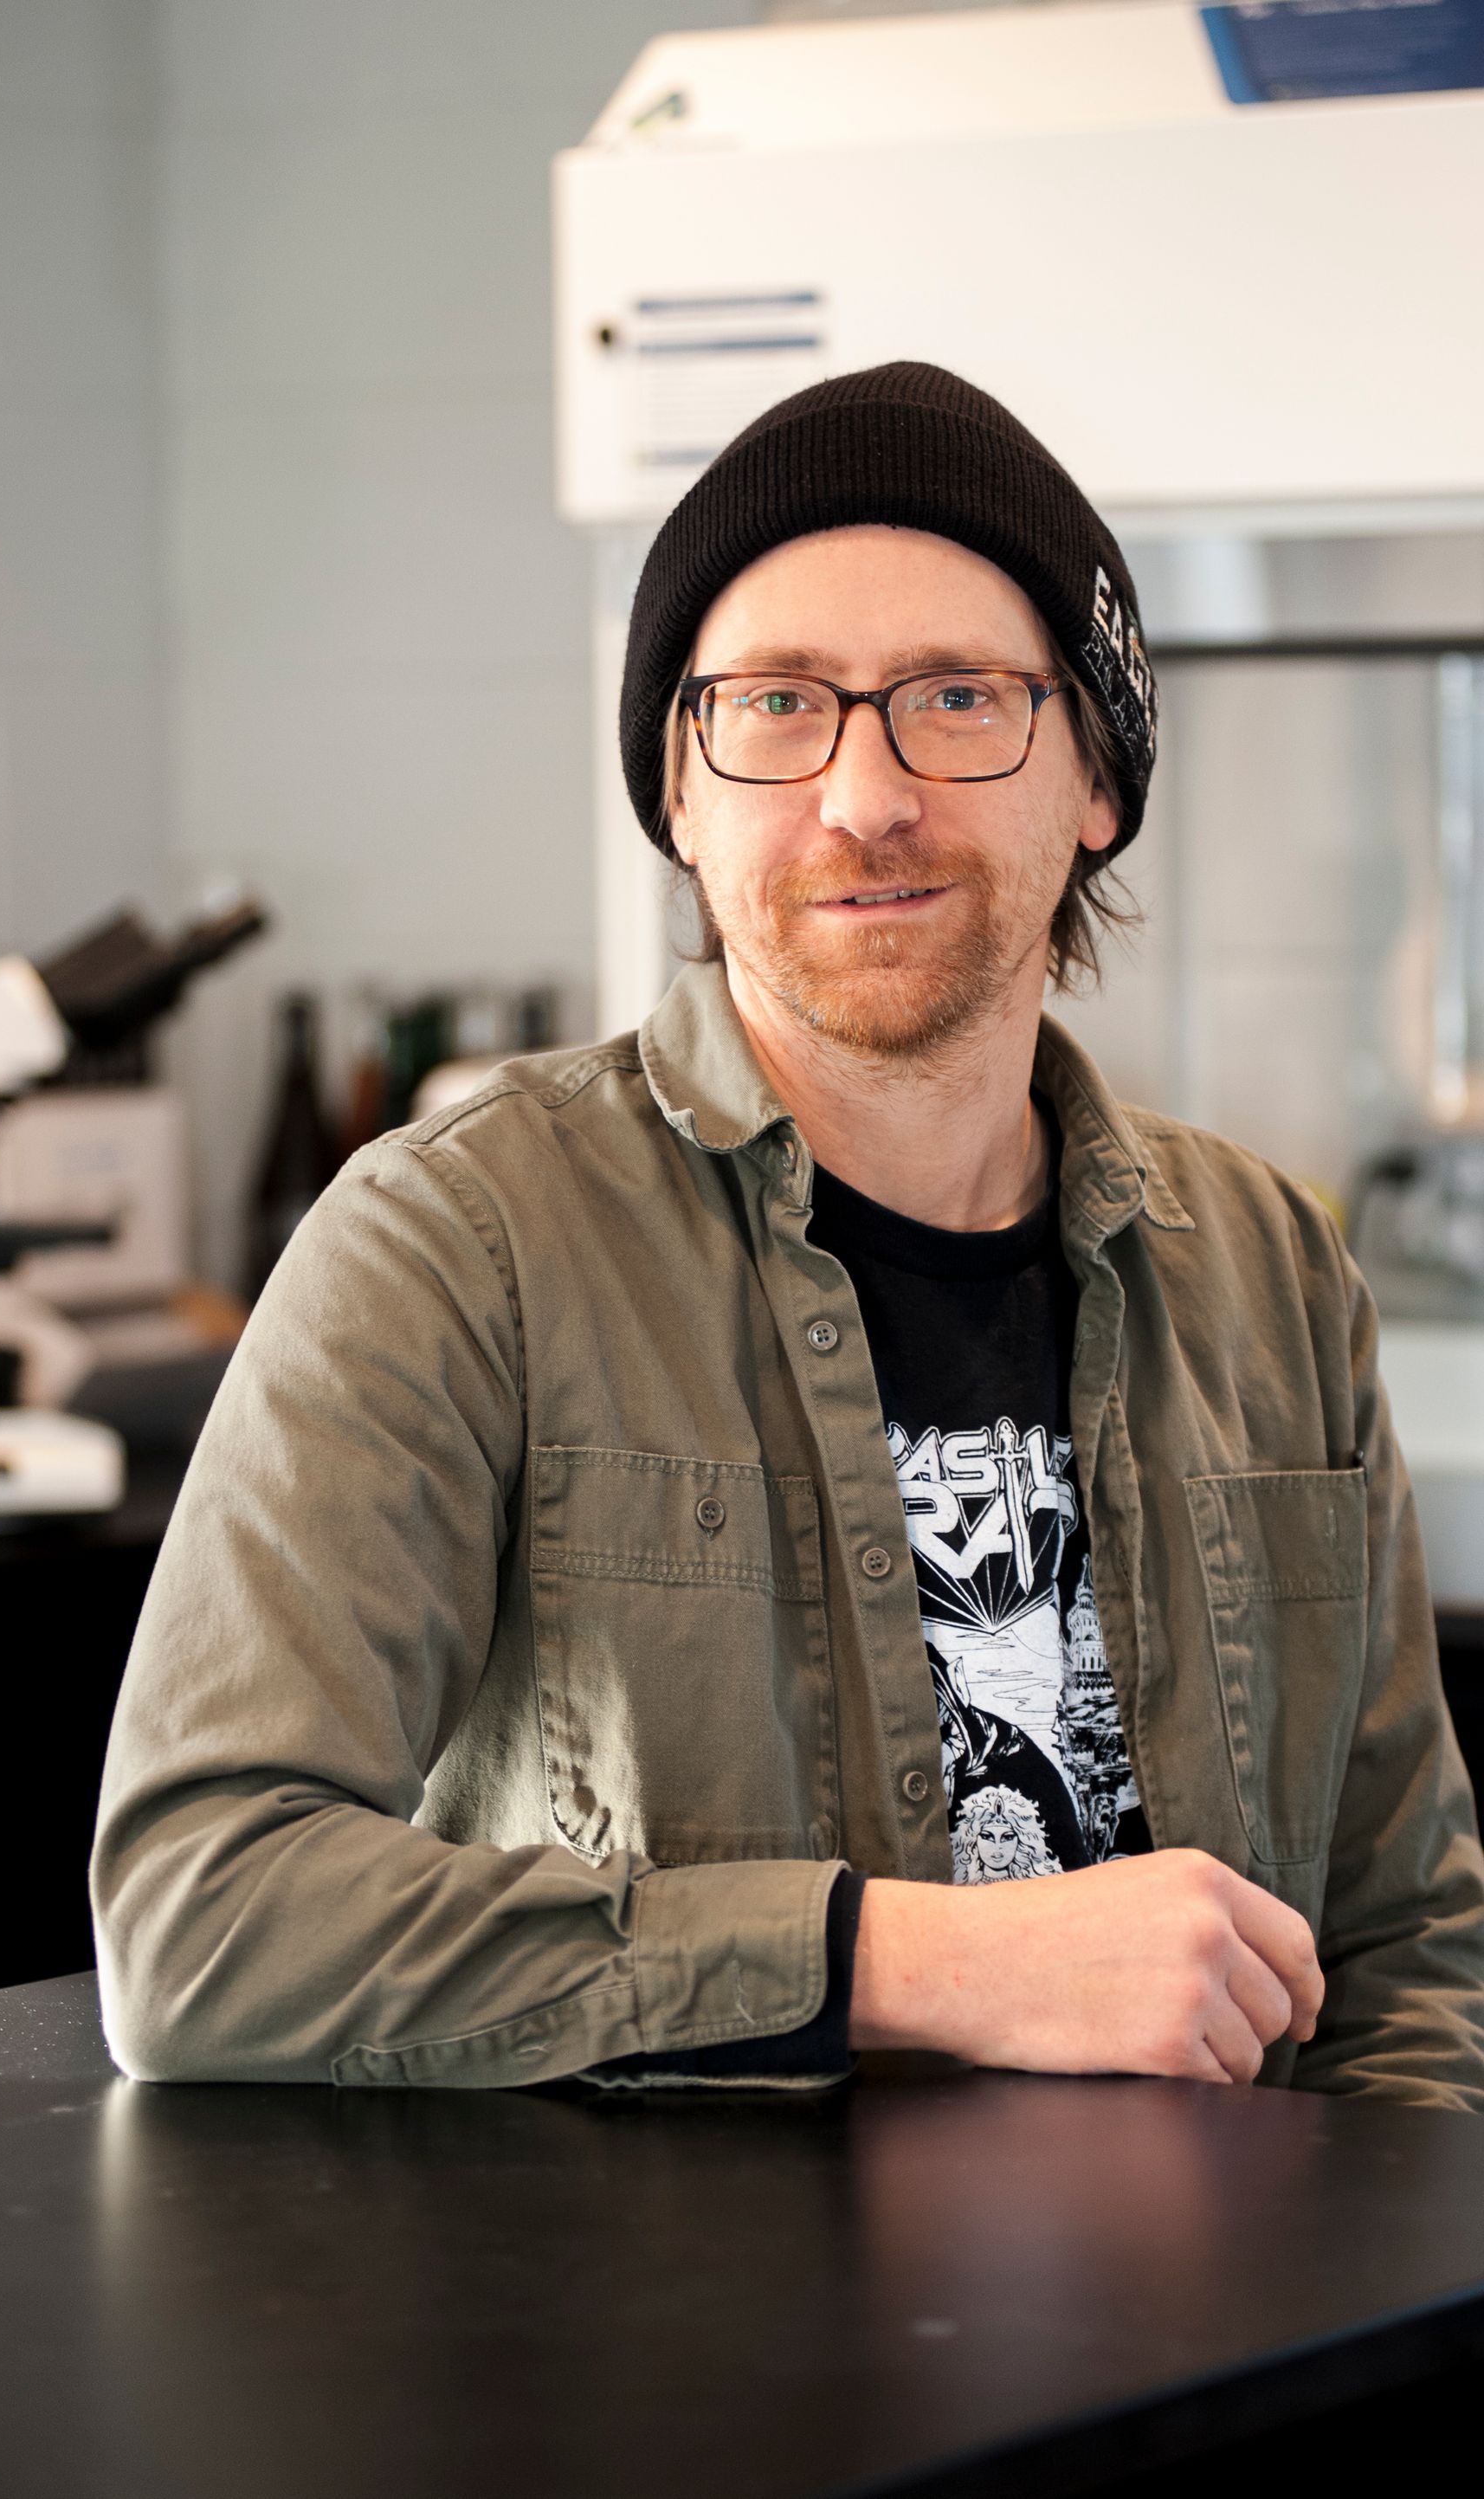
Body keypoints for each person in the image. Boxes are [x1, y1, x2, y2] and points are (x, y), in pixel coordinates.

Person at [92, 363, 1484, 2106]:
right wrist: (897, 1961)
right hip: (680, 2362)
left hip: (1219, 2348)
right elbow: (198, 1919)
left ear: (1100, 779)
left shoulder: (1276, 1270)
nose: (864, 797)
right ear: (682, 793)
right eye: (774, 706)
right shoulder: (455, 1247)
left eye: (959, 699)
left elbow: (1411, 1955)